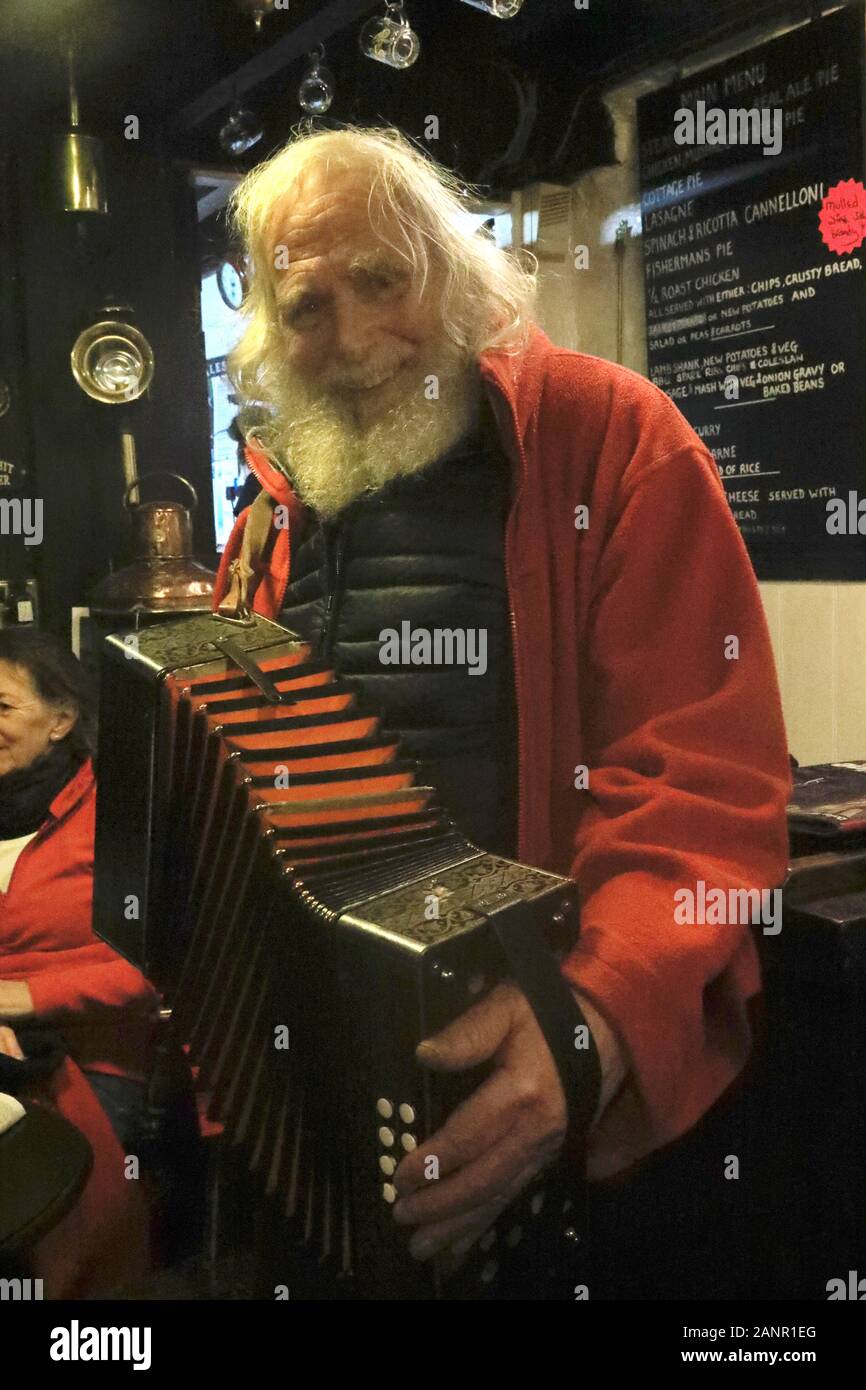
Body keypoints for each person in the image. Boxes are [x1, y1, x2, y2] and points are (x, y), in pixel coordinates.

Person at [211, 124, 792, 1283]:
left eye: (383, 280)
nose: (356, 338)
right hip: (330, 1079)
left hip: (557, 1084)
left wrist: (594, 1021)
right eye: (307, 307)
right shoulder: (276, 502)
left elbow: (703, 785)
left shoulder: (617, 439)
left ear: (460, 275)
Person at [0, 628, 157, 1297]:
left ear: (61, 719)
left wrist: (21, 999)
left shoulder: (115, 812)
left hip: (90, 1056)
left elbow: (152, 968)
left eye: (2, 707)